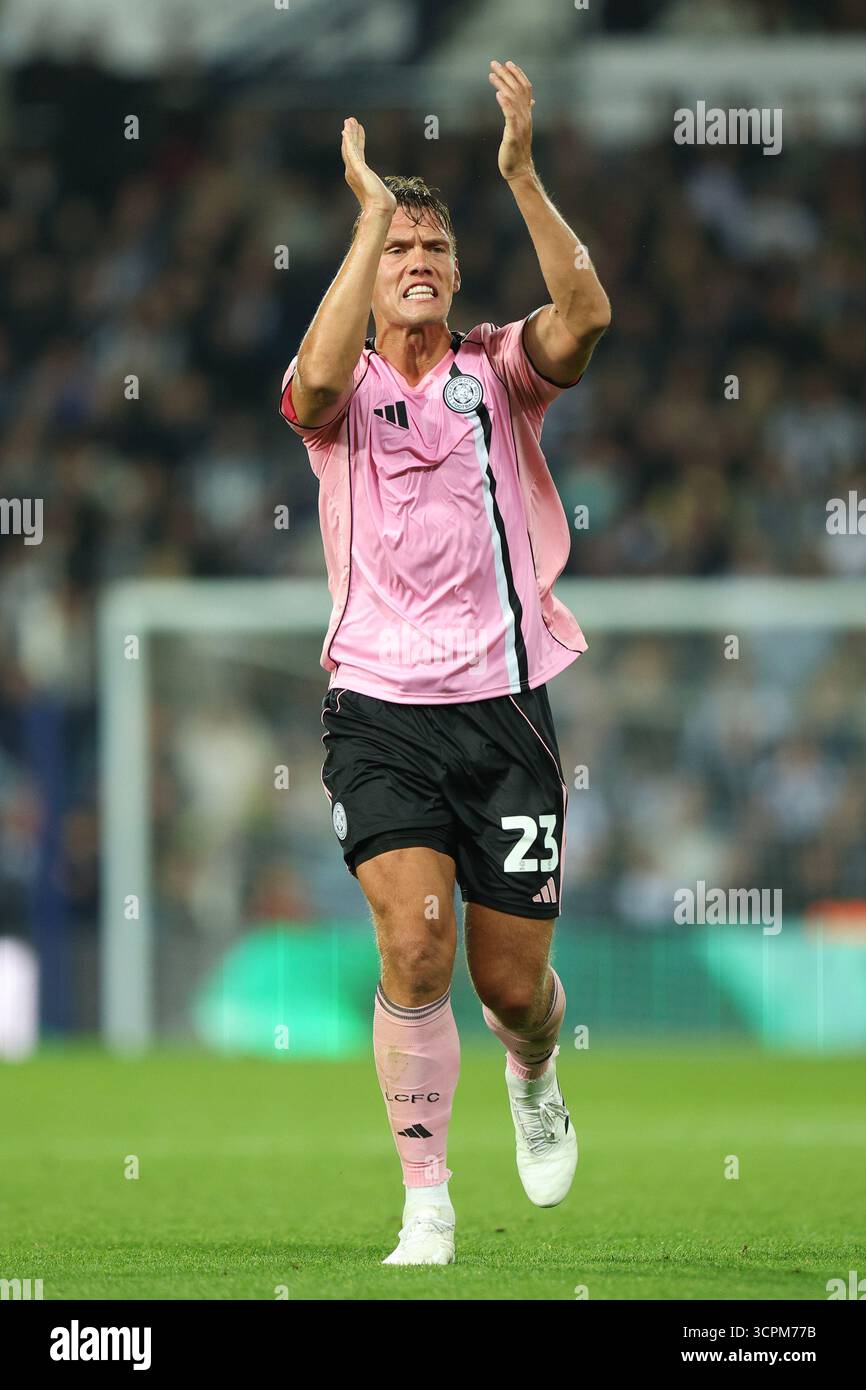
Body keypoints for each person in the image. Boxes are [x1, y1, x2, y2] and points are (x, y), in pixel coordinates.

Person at [280, 60, 610, 1265]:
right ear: (371, 275)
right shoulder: (340, 385)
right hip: (377, 709)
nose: (416, 258)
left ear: (458, 274)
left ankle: (533, 1072)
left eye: (431, 244)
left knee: (513, 984)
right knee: (411, 944)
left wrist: (519, 172)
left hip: (503, 713)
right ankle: (426, 1200)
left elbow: (585, 320)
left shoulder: (494, 373)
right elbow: (313, 378)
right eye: (397, 245)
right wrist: (366, 220)